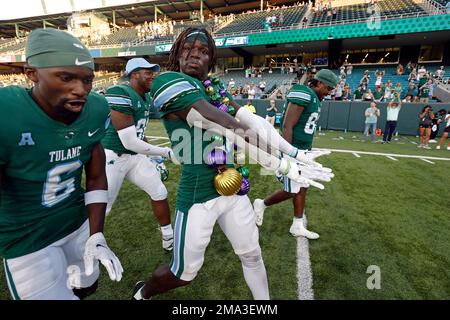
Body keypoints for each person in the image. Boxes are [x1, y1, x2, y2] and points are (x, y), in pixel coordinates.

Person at [132, 28, 331, 300]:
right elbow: (226, 125)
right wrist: (282, 166)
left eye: (204, 51)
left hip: (234, 186)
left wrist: (294, 153)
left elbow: (252, 122)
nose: (195, 54)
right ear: (178, 52)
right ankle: (142, 293)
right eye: (189, 48)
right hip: (199, 192)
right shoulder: (167, 81)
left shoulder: (213, 86)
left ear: (211, 60)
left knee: (252, 255)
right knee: (184, 273)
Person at [0, 28, 122, 300]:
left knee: (87, 286)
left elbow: (95, 176)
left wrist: (96, 234)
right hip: (28, 240)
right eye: (65, 77)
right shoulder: (6, 113)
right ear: (31, 72)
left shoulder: (97, 109)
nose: (80, 90)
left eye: (87, 79)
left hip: (76, 222)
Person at [253, 69, 338, 239]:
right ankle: (261, 204)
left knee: (302, 186)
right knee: (293, 190)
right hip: (292, 150)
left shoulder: (315, 98)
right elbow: (287, 125)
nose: (329, 92)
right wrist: (288, 154)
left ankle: (297, 225)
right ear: (319, 83)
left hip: (302, 150)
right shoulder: (304, 93)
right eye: (328, 88)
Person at [102, 58, 174, 251]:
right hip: (113, 157)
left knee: (159, 191)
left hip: (135, 157)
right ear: (134, 74)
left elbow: (139, 135)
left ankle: (168, 237)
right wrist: (165, 152)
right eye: (148, 72)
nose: (152, 76)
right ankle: (84, 244)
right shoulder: (120, 92)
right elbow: (129, 141)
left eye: (152, 72)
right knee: (103, 208)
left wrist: (152, 156)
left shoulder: (146, 98)